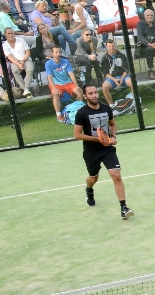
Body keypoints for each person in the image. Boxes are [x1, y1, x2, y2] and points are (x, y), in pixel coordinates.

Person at [73, 84, 132, 219]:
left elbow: (112, 124)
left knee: (116, 175)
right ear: (85, 96)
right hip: (91, 151)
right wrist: (98, 139)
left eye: (96, 93)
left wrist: (113, 137)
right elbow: (77, 135)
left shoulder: (106, 109)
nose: (94, 96)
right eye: (91, 93)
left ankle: (123, 208)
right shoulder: (81, 113)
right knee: (93, 178)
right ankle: (89, 189)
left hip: (107, 149)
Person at [44, 45, 80, 121]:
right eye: (56, 52)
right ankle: (59, 115)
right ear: (52, 53)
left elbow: (71, 74)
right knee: (56, 94)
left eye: (59, 52)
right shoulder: (48, 63)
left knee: (79, 91)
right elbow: (49, 77)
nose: (58, 54)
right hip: (56, 84)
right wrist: (54, 88)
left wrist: (76, 85)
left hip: (68, 83)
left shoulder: (65, 61)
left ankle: (77, 110)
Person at [98, 38, 133, 105]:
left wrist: (122, 78)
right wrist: (114, 80)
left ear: (115, 46)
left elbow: (126, 69)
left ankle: (134, 100)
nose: (112, 48)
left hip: (123, 76)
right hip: (111, 78)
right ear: (106, 47)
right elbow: (105, 73)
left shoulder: (122, 55)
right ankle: (111, 105)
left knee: (132, 83)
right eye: (109, 46)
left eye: (113, 46)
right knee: (105, 87)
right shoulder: (105, 58)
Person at [2, 27, 35, 96]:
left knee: (30, 69)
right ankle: (25, 89)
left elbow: (28, 52)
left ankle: (26, 88)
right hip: (15, 61)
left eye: (12, 33)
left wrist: (23, 61)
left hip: (25, 58)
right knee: (15, 71)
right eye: (8, 33)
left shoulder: (21, 40)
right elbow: (9, 56)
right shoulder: (4, 45)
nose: (10, 35)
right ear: (5, 35)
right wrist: (18, 64)